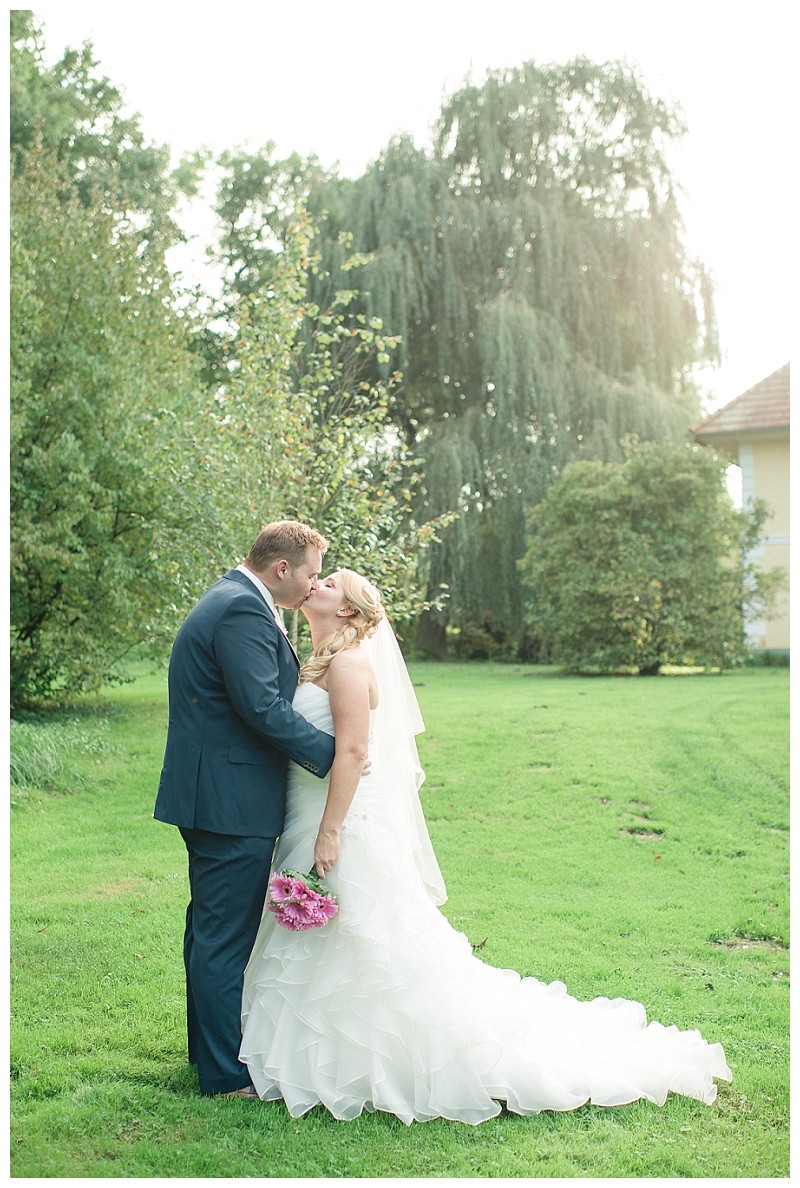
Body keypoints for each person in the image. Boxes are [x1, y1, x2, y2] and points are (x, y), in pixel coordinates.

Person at [239, 568, 732, 1124]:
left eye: (330, 581)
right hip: (308, 812)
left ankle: (373, 1057)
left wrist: (330, 832)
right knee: (321, 935)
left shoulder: (351, 664)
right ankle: (307, 1053)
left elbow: (352, 753)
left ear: (348, 610)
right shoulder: (319, 661)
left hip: (341, 823)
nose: (317, 584)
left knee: (366, 939)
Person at [154, 520, 337, 1098]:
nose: (312, 585)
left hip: (217, 794)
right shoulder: (241, 610)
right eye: (310, 573)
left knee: (210, 929)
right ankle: (223, 1075)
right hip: (228, 800)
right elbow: (261, 706)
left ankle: (206, 1054)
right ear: (282, 568)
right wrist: (334, 756)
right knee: (221, 936)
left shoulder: (241, 602)